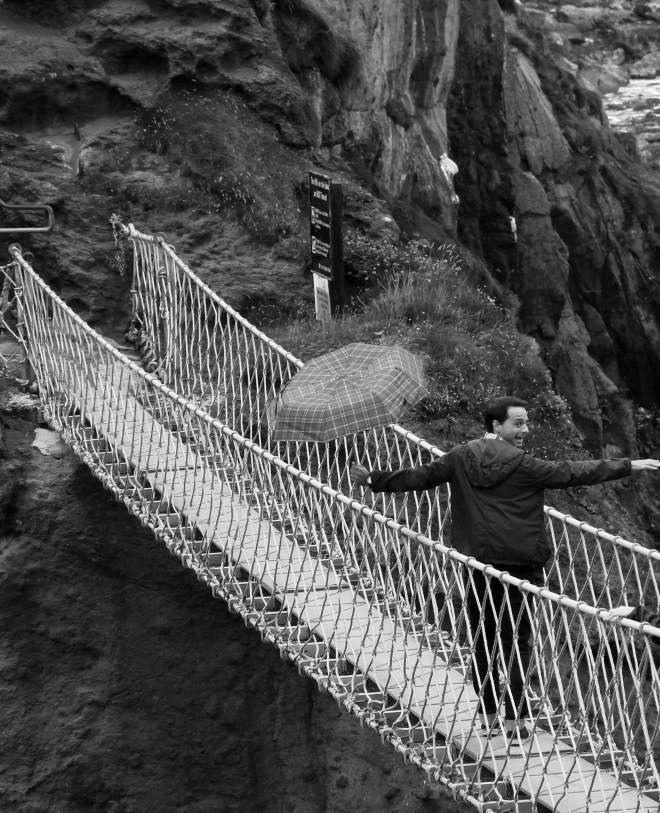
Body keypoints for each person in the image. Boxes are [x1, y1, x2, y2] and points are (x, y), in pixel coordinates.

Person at [350, 396, 660, 744]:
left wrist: (374, 479)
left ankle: (488, 714)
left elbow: (420, 477)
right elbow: (573, 472)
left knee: (484, 638)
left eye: (526, 422)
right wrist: (627, 466)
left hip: (478, 562)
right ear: (496, 426)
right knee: (517, 641)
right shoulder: (525, 465)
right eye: (518, 423)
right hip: (520, 564)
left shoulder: (460, 457)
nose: (525, 429)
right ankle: (516, 720)